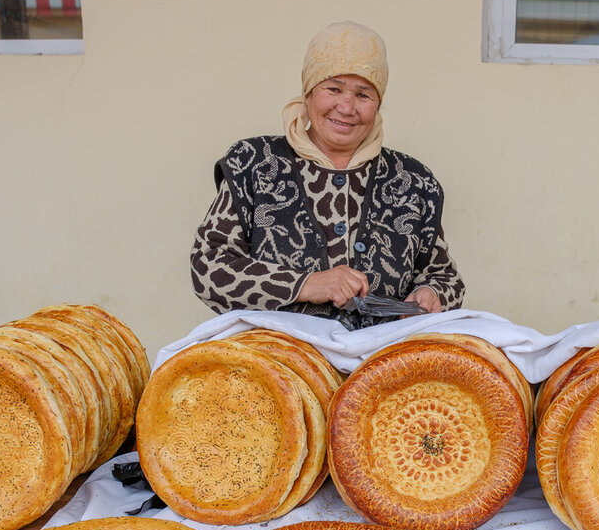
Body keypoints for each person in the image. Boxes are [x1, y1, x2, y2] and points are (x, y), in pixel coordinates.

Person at [190, 21, 465, 328]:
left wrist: (430, 293)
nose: (346, 108)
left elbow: (444, 276)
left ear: (378, 105)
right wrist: (308, 284)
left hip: (381, 364)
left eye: (363, 95)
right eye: (333, 89)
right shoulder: (253, 164)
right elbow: (209, 268)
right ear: (308, 94)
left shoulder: (412, 181)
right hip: (278, 361)